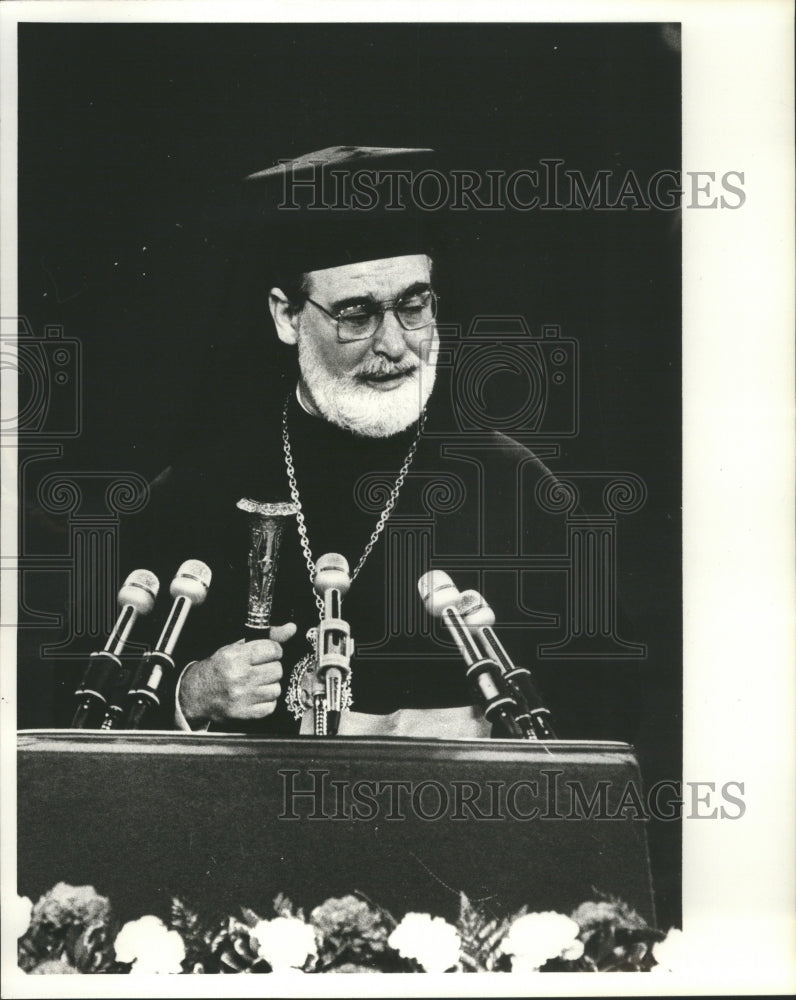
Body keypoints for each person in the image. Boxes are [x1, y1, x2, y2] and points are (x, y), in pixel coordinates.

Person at [120, 145, 640, 741]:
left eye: (413, 307)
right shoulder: (197, 488)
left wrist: (490, 727)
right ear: (287, 316)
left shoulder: (517, 486)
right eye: (357, 315)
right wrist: (193, 690)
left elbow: (613, 704)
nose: (394, 345)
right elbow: (75, 704)